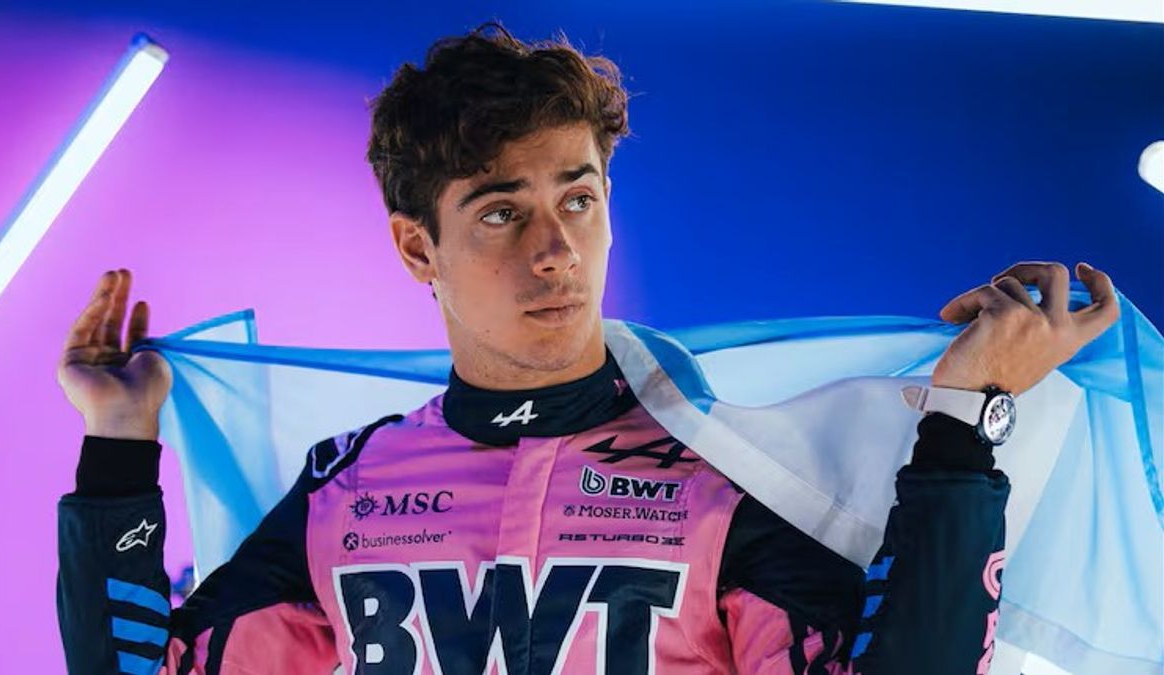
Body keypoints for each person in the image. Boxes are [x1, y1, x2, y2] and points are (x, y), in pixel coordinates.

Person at [55, 22, 1120, 675]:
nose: (556, 250)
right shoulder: (350, 488)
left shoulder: (725, 470)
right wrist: (117, 444)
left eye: (579, 199)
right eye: (500, 213)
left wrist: (964, 417)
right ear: (417, 247)